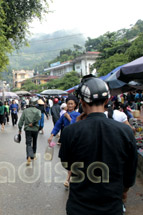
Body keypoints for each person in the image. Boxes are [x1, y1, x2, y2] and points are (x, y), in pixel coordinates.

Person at [59, 77, 137, 215]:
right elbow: (130, 170)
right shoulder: (125, 131)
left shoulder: (70, 131)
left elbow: (67, 164)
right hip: (112, 206)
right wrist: (124, 191)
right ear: (107, 101)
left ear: (82, 102)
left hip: (79, 206)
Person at [18, 97, 41, 165]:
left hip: (27, 129)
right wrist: (33, 123)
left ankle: (28, 156)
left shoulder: (25, 111)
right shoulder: (38, 111)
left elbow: (21, 121)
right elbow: (39, 117)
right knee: (34, 142)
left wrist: (20, 129)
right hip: (35, 129)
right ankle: (33, 155)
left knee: (28, 143)